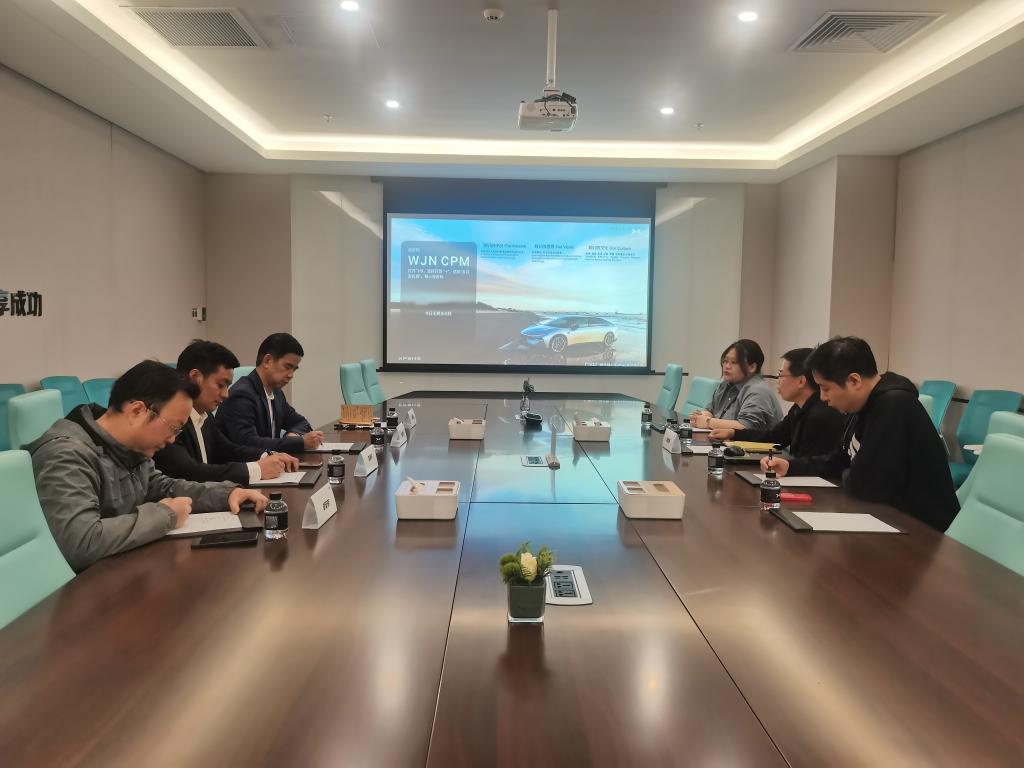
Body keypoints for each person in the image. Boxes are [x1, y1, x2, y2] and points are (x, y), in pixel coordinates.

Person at [28, 360, 268, 571]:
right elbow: (81, 542)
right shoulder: (66, 455)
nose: (173, 439)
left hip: (120, 571)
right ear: (137, 411)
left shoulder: (129, 446)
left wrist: (227, 494)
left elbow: (161, 487)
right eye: (173, 428)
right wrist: (166, 515)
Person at [761, 336, 959, 532]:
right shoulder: (861, 406)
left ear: (854, 381)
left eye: (825, 388)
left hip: (920, 529)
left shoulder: (894, 406)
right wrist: (791, 466)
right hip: (886, 518)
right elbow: (840, 460)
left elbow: (866, 484)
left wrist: (850, 473)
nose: (822, 397)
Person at [154, 340, 300, 484]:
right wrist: (256, 470)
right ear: (195, 377)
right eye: (220, 385)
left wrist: (267, 455)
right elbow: (191, 473)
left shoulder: (205, 415)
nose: (225, 394)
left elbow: (228, 450)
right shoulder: (170, 420)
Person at [710, 347, 847, 458]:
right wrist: (733, 433)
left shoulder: (820, 415)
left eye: (780, 374)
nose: (778, 380)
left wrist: (787, 467)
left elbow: (812, 465)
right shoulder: (799, 408)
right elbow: (775, 437)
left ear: (801, 381)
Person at [218, 332, 324, 455]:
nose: (291, 375)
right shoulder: (241, 395)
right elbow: (248, 443)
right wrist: (298, 442)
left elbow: (301, 422)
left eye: (294, 369)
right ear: (267, 361)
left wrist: (293, 435)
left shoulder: (276, 393)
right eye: (287, 367)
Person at [690, 339, 782, 431]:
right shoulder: (725, 384)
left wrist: (708, 422)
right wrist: (701, 416)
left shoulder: (758, 391)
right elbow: (711, 410)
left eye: (734, 362)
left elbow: (746, 427)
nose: (727, 366)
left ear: (752, 367)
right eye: (725, 361)